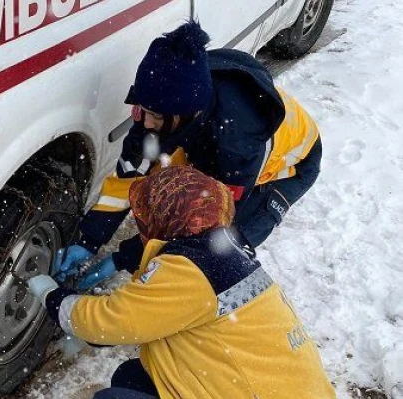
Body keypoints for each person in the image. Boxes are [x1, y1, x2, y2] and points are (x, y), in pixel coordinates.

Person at [54, 21, 322, 290]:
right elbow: (130, 174)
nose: (145, 123)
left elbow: (205, 223)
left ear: (186, 113)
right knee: (163, 190)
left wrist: (123, 258)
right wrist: (88, 240)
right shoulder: (163, 104)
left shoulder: (235, 143)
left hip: (291, 165)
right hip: (208, 138)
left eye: (155, 116)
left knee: (216, 249)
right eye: (142, 109)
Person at [30, 166, 335, 399]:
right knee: (135, 376)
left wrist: (53, 296)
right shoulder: (224, 251)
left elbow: (106, 325)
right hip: (281, 387)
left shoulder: (190, 269)